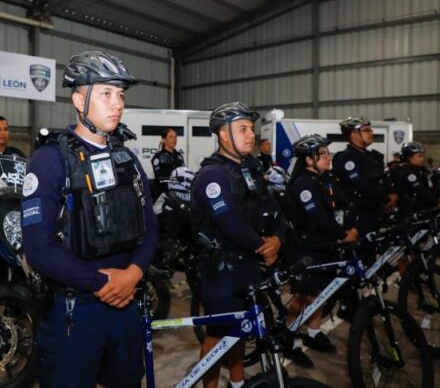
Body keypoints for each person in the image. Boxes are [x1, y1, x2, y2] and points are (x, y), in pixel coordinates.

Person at [21, 51, 158, 388]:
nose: (118, 104)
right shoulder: (50, 160)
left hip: (126, 306)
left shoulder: (127, 158)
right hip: (74, 312)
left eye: (121, 95)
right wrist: (101, 283)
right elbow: (39, 247)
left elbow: (151, 227)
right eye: (106, 94)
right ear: (79, 99)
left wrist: (134, 273)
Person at [191, 102, 286, 388]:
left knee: (242, 328)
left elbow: (275, 207)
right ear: (223, 135)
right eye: (242, 129)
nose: (251, 135)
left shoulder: (250, 168)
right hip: (222, 269)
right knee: (216, 335)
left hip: (248, 263)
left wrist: (278, 238)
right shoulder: (213, 175)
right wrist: (263, 246)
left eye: (251, 129)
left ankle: (237, 382)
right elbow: (228, 221)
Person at [285, 134, 358, 367]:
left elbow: (342, 204)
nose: (328, 157)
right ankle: (291, 340)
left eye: (328, 153)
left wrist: (351, 225)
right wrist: (343, 235)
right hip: (306, 247)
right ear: (309, 160)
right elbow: (316, 214)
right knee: (304, 296)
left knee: (320, 294)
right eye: (323, 154)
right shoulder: (303, 183)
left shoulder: (324, 179)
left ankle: (314, 332)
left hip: (324, 245)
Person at [332, 116, 397, 237]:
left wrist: (392, 194)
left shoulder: (371, 157)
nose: (371, 133)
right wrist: (386, 200)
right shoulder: (347, 158)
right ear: (354, 134)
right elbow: (362, 184)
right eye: (366, 130)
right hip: (358, 215)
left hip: (374, 211)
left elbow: (382, 179)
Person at [389, 142, 440, 218]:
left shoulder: (422, 170)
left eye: (423, 156)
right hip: (410, 213)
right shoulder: (406, 172)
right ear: (409, 158)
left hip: (422, 210)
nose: (422, 159)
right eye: (419, 156)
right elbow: (420, 190)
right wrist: (435, 201)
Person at [151, 127, 185, 198]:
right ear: (164, 140)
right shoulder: (158, 157)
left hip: (179, 194)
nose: (174, 139)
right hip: (163, 194)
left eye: (175, 137)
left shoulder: (179, 156)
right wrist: (177, 179)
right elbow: (160, 178)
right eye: (171, 137)